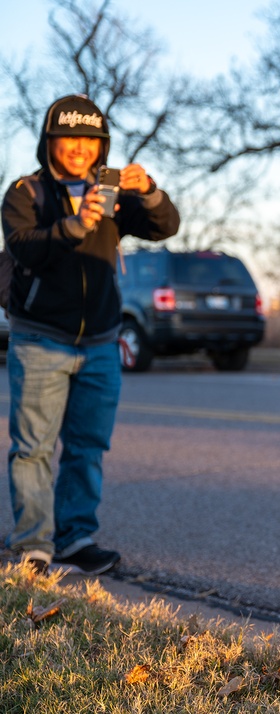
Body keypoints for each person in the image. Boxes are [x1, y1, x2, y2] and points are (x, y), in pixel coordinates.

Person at [2, 94, 180, 576]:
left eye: (89, 139)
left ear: (101, 145)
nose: (78, 148)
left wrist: (149, 192)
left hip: (101, 342)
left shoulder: (114, 193)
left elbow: (166, 226)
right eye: (67, 138)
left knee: (87, 446)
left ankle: (76, 538)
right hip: (40, 339)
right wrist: (75, 225)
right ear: (49, 142)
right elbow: (23, 246)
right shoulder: (26, 192)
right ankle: (33, 547)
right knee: (33, 448)